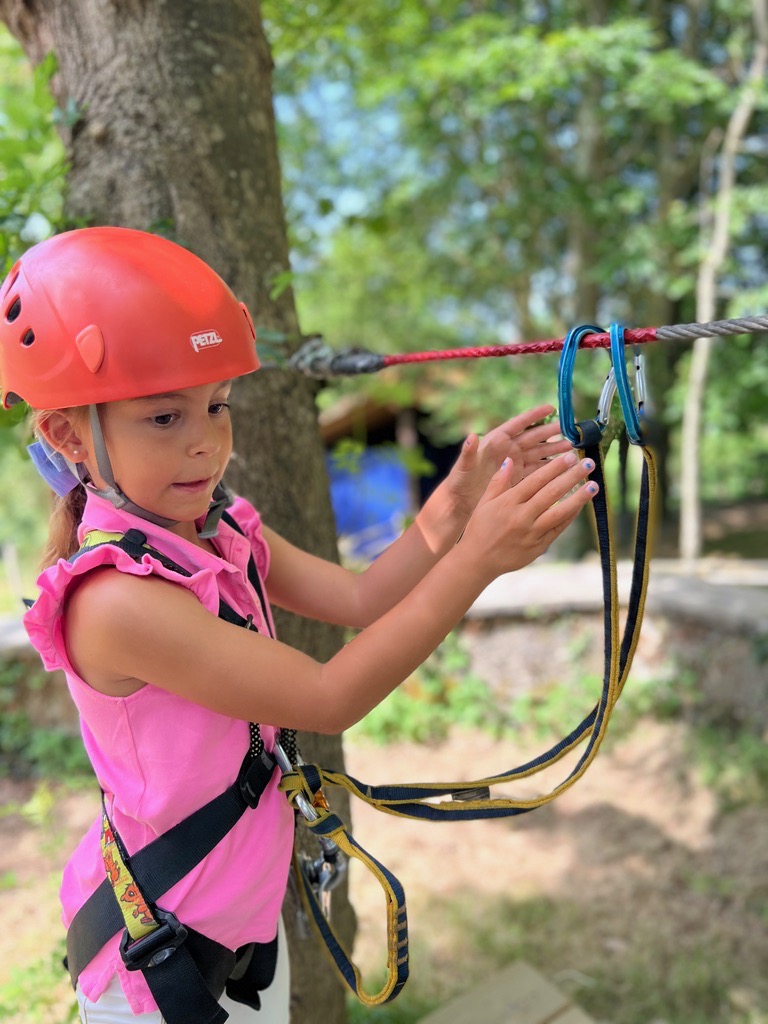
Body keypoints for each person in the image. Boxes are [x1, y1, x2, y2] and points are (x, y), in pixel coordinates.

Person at [0, 227, 598, 1024]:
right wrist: (479, 559)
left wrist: (453, 506)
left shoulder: (219, 533)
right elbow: (329, 695)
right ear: (69, 436)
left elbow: (357, 598)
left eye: (216, 406)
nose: (206, 442)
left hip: (238, 939)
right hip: (159, 973)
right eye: (162, 419)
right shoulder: (115, 600)